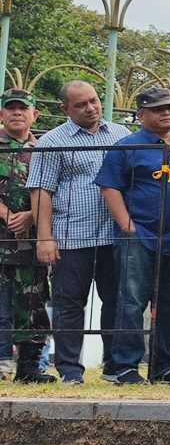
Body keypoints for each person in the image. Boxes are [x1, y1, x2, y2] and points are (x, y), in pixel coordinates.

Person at [26, 80, 128, 384]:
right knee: (69, 303)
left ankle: (114, 366)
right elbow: (41, 190)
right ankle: (70, 368)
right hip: (71, 236)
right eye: (81, 104)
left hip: (113, 235)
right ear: (65, 109)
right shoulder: (53, 141)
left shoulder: (121, 135)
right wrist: (44, 237)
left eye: (94, 101)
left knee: (116, 300)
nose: (91, 108)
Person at [95, 87, 170, 385]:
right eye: (157, 109)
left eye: (169, 107)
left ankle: (163, 365)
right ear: (140, 115)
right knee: (132, 300)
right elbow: (109, 187)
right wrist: (127, 226)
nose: (166, 112)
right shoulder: (126, 145)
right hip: (139, 233)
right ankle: (125, 366)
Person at [0, 89, 53, 383]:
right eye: (10, 108)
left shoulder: (46, 148)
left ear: (35, 115)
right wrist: (8, 215)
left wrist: (31, 215)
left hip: (30, 243)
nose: (17, 113)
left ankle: (29, 368)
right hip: (1, 238)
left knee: (32, 304)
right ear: (1, 115)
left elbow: (53, 187)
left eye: (23, 108)